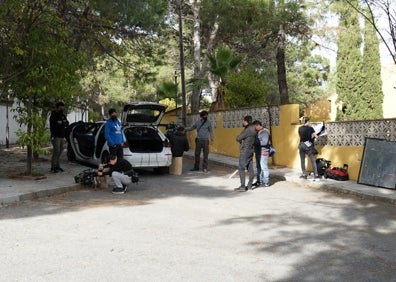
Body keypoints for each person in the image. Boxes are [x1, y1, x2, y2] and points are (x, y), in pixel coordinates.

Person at [235, 115, 256, 192]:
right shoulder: (253, 129)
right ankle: (250, 185)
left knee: (241, 168)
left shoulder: (247, 130)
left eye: (244, 121)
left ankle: (243, 186)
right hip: (250, 150)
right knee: (250, 168)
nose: (243, 122)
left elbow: (238, 138)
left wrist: (239, 138)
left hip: (245, 151)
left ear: (246, 122)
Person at [49, 102, 69, 173]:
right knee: (56, 151)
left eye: (63, 107)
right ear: (58, 107)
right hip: (56, 136)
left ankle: (57, 166)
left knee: (60, 151)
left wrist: (62, 122)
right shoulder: (54, 114)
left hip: (62, 136)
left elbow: (67, 123)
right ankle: (53, 167)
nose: (62, 108)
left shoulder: (63, 115)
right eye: (61, 107)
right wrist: (61, 123)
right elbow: (54, 124)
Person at [298, 116, 320, 180]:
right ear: (307, 121)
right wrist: (314, 140)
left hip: (301, 145)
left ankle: (304, 174)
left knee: (302, 160)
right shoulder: (311, 128)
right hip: (308, 146)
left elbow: (300, 136)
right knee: (313, 160)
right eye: (309, 121)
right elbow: (316, 136)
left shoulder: (299, 128)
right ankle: (316, 175)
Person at [253, 120, 271, 187]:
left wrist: (255, 142)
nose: (254, 128)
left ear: (258, 125)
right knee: (258, 167)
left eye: (255, 127)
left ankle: (266, 182)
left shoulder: (265, 132)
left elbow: (264, 142)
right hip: (258, 152)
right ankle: (259, 181)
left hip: (264, 152)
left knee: (264, 167)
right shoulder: (258, 132)